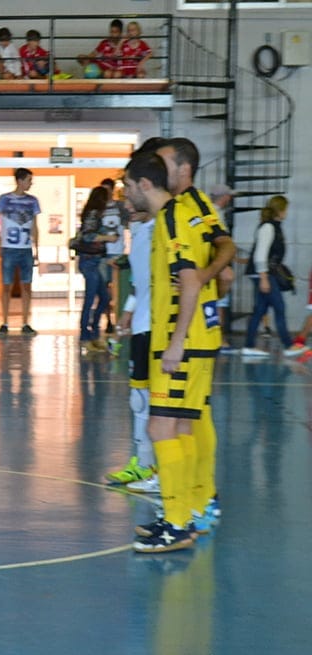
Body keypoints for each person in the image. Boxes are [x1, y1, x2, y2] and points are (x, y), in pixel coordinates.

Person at [122, 151, 221, 553]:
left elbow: (192, 281)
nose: (127, 196)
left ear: (145, 185)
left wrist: (176, 343)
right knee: (177, 428)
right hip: (187, 339)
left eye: (129, 187)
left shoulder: (172, 218)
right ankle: (183, 515)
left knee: (160, 428)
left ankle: (179, 521)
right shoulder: (173, 215)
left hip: (182, 342)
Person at [152, 137, 237, 517]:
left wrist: (203, 277)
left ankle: (187, 509)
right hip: (190, 330)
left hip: (184, 332)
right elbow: (225, 259)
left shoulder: (188, 208)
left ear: (184, 169)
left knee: (177, 421)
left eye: (163, 164)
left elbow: (226, 249)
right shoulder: (181, 209)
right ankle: (201, 500)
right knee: (193, 415)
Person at [105, 200, 158, 488]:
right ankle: (143, 464)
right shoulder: (137, 232)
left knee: (159, 403)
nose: (127, 201)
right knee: (139, 400)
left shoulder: (161, 230)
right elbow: (139, 284)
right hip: (141, 327)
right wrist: (125, 317)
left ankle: (154, 469)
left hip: (158, 329)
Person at [241, 196, 307, 358]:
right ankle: (288, 345)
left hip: (263, 273)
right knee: (279, 307)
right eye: (286, 209)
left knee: (260, 310)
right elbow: (260, 254)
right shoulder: (268, 228)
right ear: (280, 210)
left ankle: (249, 345)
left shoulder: (274, 227)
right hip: (263, 273)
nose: (287, 212)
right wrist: (263, 277)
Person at [0, 167, 40, 336]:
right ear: (19, 181)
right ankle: (4, 322)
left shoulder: (33, 201)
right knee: (7, 286)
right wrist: (0, 242)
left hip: (26, 249)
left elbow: (35, 226)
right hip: (10, 248)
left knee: (27, 286)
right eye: (28, 180)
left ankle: (26, 322)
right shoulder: (4, 199)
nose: (30, 183)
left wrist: (36, 249)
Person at [76, 185, 117, 351]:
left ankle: (93, 333)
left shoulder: (94, 214)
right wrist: (108, 237)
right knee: (90, 299)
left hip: (94, 261)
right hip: (89, 261)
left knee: (105, 298)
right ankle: (86, 336)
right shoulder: (94, 214)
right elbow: (88, 236)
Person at [207, 183, 235, 351]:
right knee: (219, 302)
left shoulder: (211, 212)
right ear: (224, 197)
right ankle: (218, 338)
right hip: (217, 265)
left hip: (215, 263)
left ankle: (216, 337)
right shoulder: (214, 215)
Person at [99, 177, 129, 333]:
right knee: (104, 289)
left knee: (118, 288)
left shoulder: (121, 207)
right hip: (104, 253)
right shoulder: (98, 209)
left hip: (117, 252)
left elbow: (129, 223)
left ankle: (118, 319)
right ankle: (109, 320)